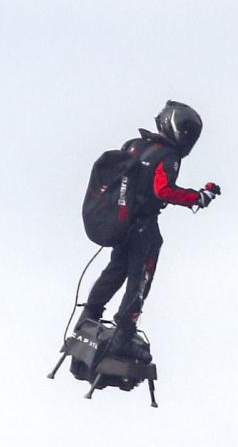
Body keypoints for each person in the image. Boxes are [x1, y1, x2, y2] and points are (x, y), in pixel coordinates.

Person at [77, 100, 219, 346]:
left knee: (116, 269)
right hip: (143, 224)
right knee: (140, 274)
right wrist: (196, 197)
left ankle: (89, 316)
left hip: (122, 222)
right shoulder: (169, 155)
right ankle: (124, 330)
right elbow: (162, 190)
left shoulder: (134, 145)